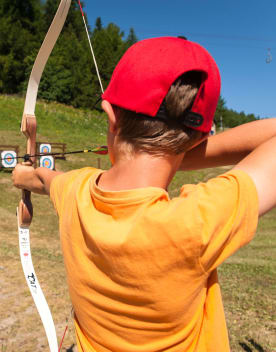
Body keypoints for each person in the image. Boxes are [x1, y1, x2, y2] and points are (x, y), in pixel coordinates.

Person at [12, 37, 276, 352]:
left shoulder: (75, 191)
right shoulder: (193, 223)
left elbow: (44, 179)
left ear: (110, 115)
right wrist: (177, 151)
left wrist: (21, 175)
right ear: (199, 138)